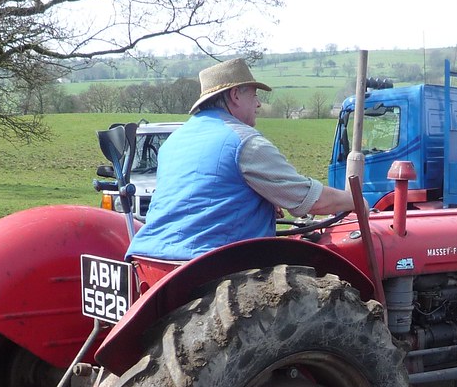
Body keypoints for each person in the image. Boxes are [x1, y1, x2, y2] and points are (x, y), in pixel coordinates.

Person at [125, 58, 356, 261]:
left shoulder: (174, 141)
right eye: (254, 96)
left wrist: (256, 203)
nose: (258, 104)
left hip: (151, 257)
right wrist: (356, 202)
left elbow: (200, 196)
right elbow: (310, 201)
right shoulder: (244, 141)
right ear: (235, 95)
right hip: (209, 265)